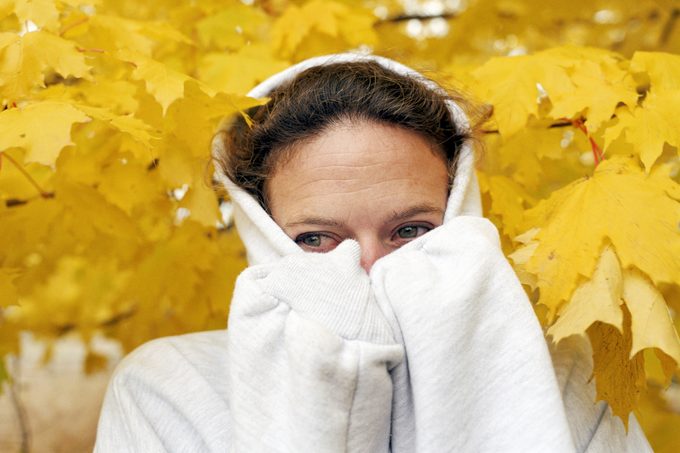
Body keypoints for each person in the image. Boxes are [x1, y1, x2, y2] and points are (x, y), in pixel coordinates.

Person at [94, 53, 652, 452]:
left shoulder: (560, 374)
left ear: (459, 213)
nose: (369, 267)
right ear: (262, 232)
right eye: (315, 239)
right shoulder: (169, 387)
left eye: (409, 231)